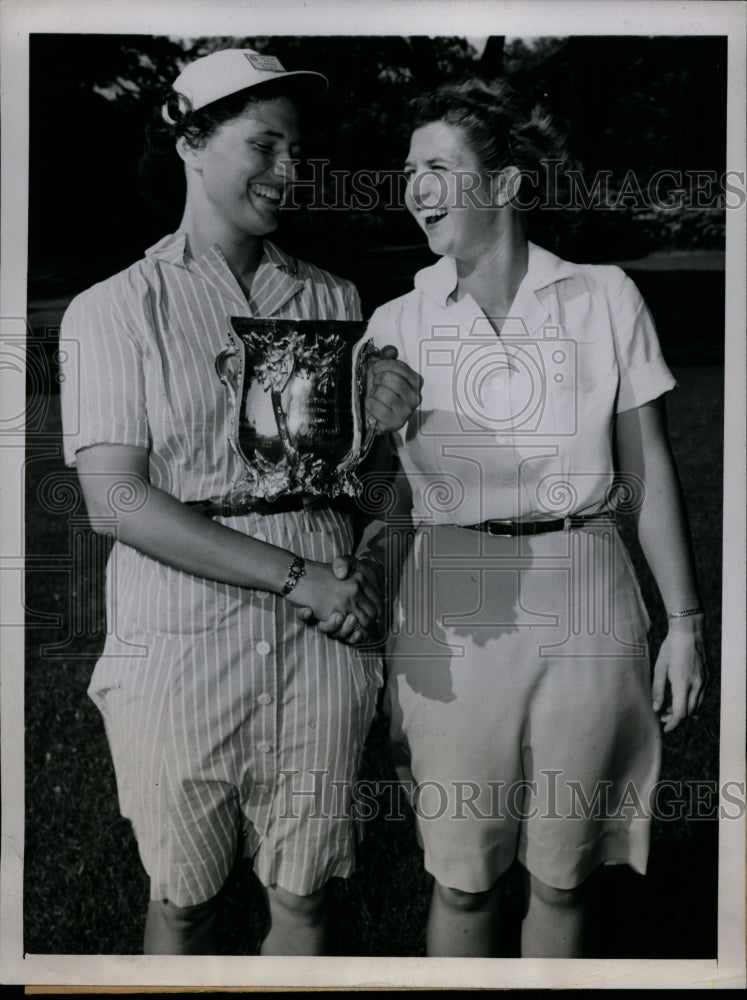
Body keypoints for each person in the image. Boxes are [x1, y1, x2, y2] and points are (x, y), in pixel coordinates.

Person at [59, 48, 421, 956]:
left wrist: (384, 435)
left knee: (302, 898)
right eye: (264, 145)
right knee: (184, 902)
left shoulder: (331, 297)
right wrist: (298, 575)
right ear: (190, 141)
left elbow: (375, 486)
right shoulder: (115, 308)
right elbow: (115, 499)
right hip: (180, 637)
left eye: (297, 151)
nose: (289, 170)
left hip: (323, 639)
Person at [356, 77, 711, 957]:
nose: (414, 187)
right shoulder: (394, 322)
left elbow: (649, 469)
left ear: (506, 184)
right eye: (408, 170)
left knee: (562, 874)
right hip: (453, 602)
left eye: (437, 166)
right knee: (463, 879)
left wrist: (685, 622)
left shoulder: (602, 297)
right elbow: (363, 493)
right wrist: (362, 417)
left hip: (589, 597)